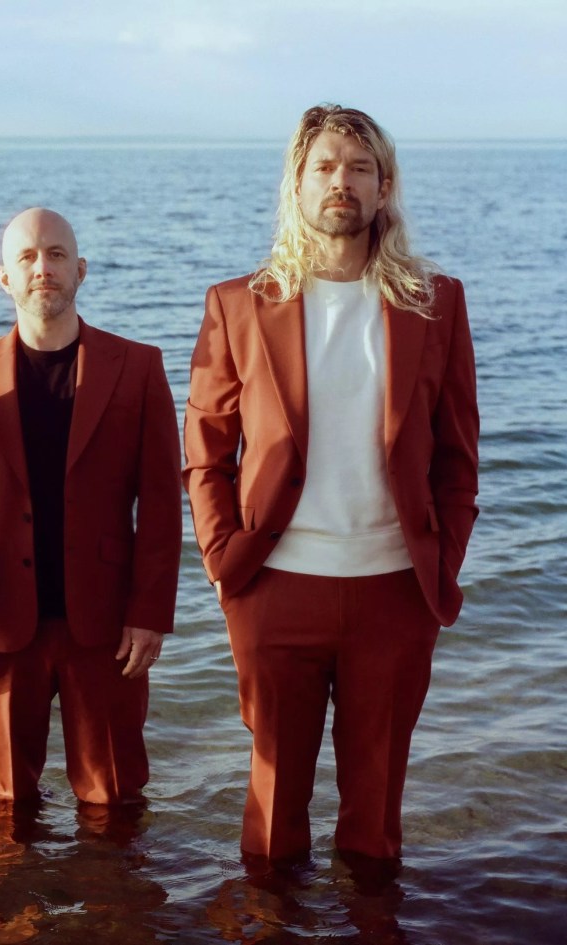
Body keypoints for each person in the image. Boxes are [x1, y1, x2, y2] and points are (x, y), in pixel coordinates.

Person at [183, 104, 480, 866]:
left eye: (357, 168)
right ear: (297, 183)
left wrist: (440, 566)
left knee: (375, 817)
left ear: (385, 187)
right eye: (324, 166)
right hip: (277, 586)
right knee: (274, 813)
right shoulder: (239, 302)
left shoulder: (436, 301)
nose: (339, 182)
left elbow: (458, 456)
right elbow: (206, 451)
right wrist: (223, 560)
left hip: (393, 590)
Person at [0, 208, 181, 808]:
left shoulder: (138, 366)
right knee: (7, 799)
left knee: (114, 796)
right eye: (26, 257)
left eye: (56, 254)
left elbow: (162, 502)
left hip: (105, 625)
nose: (42, 268)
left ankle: (113, 903)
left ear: (82, 269)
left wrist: (151, 611)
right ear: (3, 278)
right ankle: (13, 902)